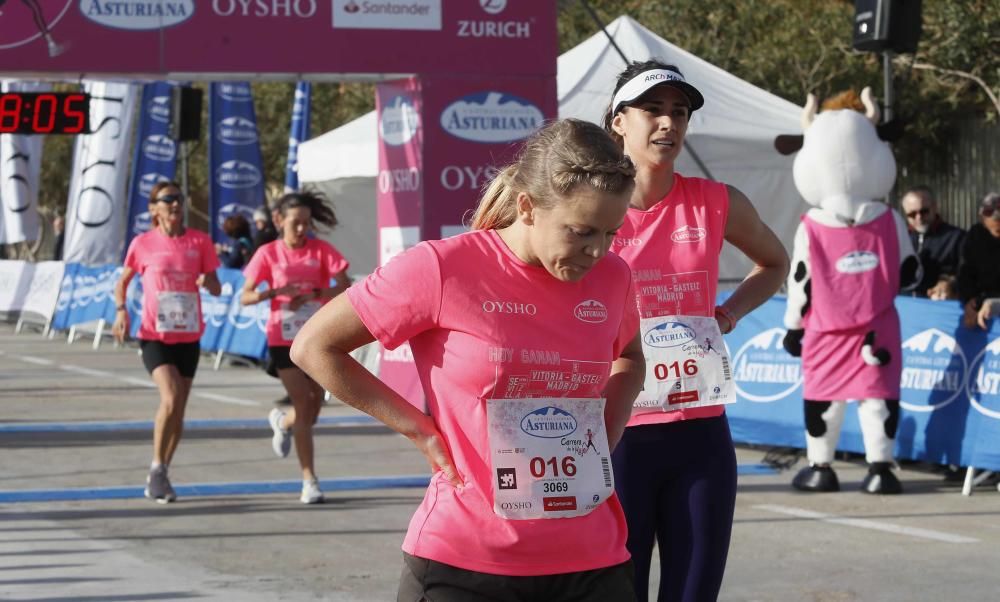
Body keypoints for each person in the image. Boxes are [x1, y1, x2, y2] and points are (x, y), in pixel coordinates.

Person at [291, 119, 645, 601]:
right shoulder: (442, 268)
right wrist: (418, 429)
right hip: (467, 561)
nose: (597, 250)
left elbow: (629, 356)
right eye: (581, 231)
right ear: (527, 207)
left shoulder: (614, 277)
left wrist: (611, 424)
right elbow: (314, 346)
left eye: (611, 232)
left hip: (593, 561)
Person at [602, 61, 789, 602]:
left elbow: (773, 263)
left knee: (694, 592)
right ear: (619, 121)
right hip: (619, 428)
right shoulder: (589, 206)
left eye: (679, 113)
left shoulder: (715, 200)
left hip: (701, 430)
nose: (668, 123)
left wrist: (726, 315)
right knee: (618, 590)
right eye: (653, 110)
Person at [111, 181, 222, 504]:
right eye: (167, 199)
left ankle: (161, 473)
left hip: (188, 335)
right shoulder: (142, 243)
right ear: (153, 208)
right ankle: (157, 467)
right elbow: (122, 283)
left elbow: (215, 287)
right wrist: (121, 311)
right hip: (153, 335)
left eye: (179, 198)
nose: (175, 204)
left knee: (179, 408)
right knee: (171, 397)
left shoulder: (200, 241)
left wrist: (208, 280)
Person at [240, 191, 351, 504]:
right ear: (279, 221)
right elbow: (245, 296)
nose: (302, 229)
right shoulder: (267, 254)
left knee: (312, 408)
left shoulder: (320, 250)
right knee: (304, 403)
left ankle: (281, 421)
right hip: (283, 340)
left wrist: (317, 291)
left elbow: (344, 285)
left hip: (316, 339)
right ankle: (309, 481)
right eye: (295, 224)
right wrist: (275, 292)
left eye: (306, 223)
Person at [900, 185, 964, 299]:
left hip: (941, 306)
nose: (919, 218)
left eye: (924, 211)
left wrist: (951, 284)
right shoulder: (900, 239)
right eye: (912, 214)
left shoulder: (957, 237)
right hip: (905, 306)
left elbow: (970, 272)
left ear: (934, 207)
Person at [958, 191, 1000, 330]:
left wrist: (993, 302)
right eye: (997, 231)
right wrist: (970, 300)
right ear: (982, 219)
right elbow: (965, 271)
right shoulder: (975, 236)